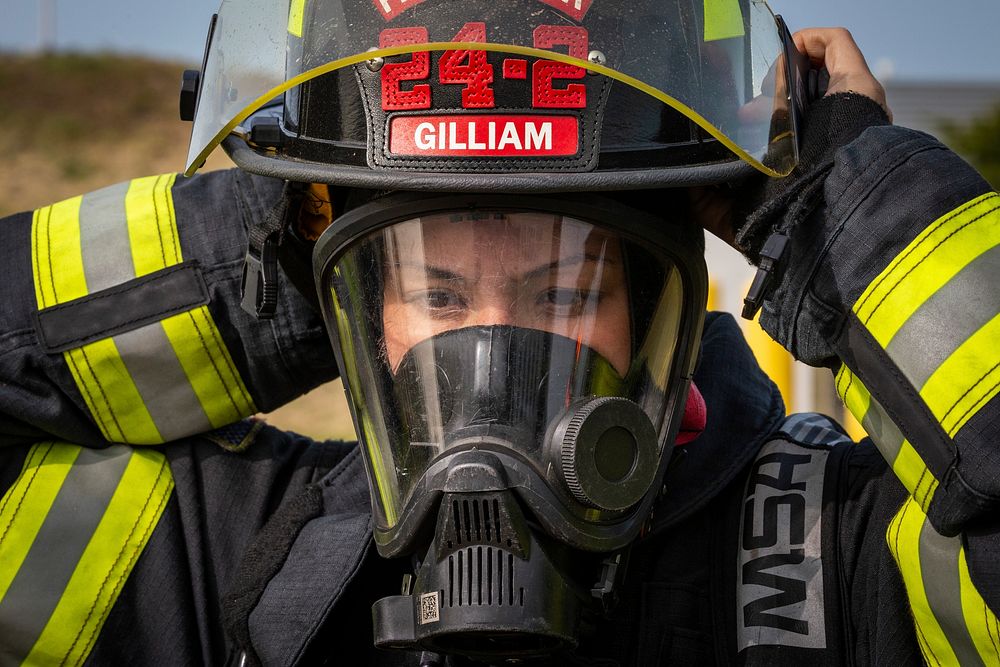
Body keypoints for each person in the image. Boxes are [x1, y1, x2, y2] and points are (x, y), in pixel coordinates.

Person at [0, 1, 997, 665]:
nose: (489, 354)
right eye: (433, 294)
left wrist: (860, 222)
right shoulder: (240, 558)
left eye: (562, 295)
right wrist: (262, 259)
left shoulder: (840, 557)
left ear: (660, 305)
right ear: (352, 310)